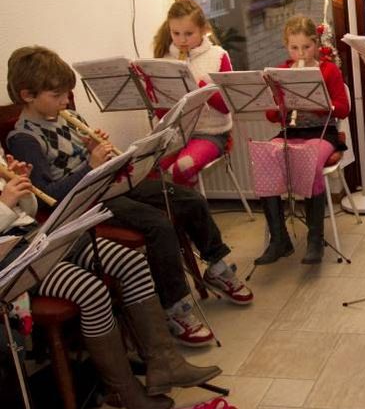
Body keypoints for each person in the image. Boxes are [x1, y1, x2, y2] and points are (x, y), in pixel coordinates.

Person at [5, 46, 253, 348]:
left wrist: (97, 152)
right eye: (56, 96)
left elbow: (86, 158)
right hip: (87, 201)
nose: (65, 102)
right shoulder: (23, 139)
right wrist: (90, 165)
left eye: (67, 94)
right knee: (158, 224)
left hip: (108, 182)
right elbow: (49, 198)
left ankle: (216, 266)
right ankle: (174, 308)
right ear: (28, 95)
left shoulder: (65, 117)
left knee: (188, 199)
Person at [1, 154, 220, 409]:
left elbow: (29, 210)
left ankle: (165, 363)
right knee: (90, 290)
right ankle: (123, 389)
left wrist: (22, 189)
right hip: (10, 259)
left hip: (37, 235)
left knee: (132, 263)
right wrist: (4, 204)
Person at [253, 16, 350, 265]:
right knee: (264, 157)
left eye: (306, 47)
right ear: (287, 47)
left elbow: (343, 108)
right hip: (292, 131)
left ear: (316, 44)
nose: (301, 53)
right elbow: (272, 116)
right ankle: (279, 239)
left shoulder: (328, 69)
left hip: (322, 131)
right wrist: (277, 103)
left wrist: (318, 103)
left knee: (308, 160)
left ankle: (315, 239)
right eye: (294, 48)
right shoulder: (282, 72)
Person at [151, 0, 234, 187]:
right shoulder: (165, 58)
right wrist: (157, 96)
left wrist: (202, 88)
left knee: (183, 168)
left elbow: (227, 106)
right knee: (148, 169)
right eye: (176, 33)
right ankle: (176, 208)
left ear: (203, 30)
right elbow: (162, 115)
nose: (181, 40)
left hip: (211, 133)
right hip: (175, 134)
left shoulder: (218, 56)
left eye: (189, 34)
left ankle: (186, 209)